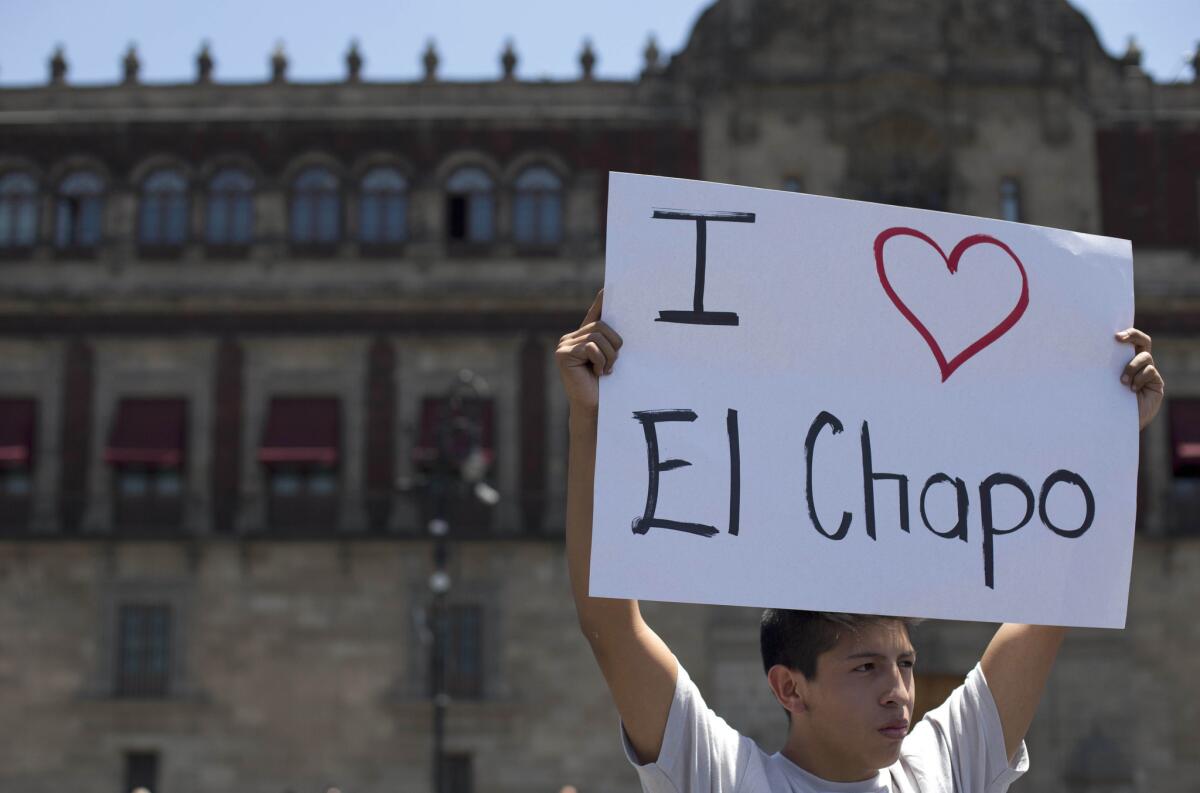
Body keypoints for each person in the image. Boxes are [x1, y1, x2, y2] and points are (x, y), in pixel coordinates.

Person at [555, 289, 1164, 793]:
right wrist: (590, 419)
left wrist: (1106, 435)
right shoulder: (727, 779)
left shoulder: (944, 767)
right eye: (867, 666)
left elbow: (1047, 603)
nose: (899, 692)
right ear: (791, 687)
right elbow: (610, 623)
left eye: (903, 664)